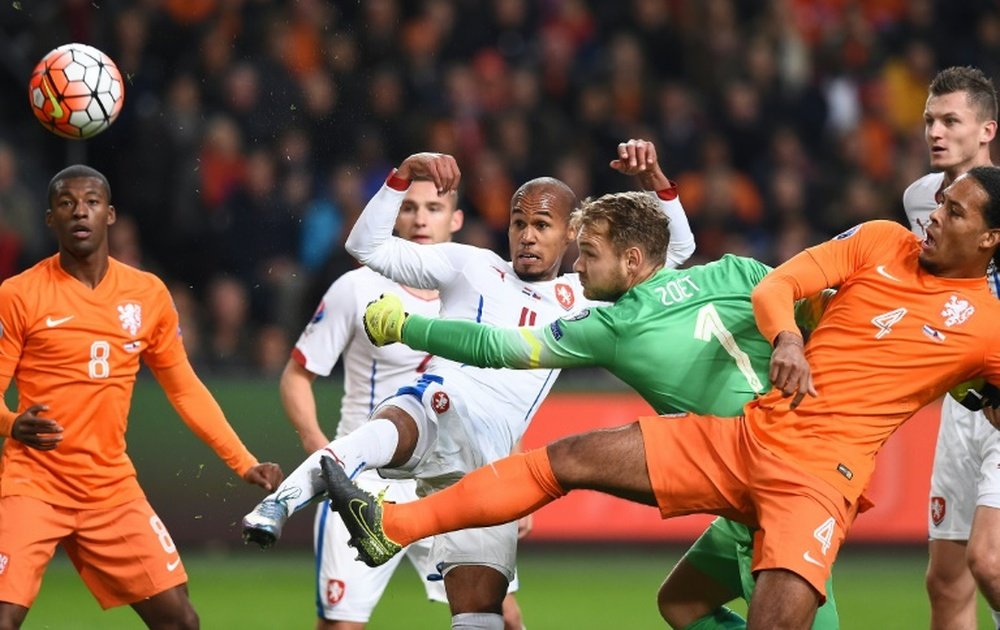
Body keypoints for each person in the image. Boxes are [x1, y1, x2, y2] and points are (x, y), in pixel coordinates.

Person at [322, 166, 1000, 628]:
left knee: (729, 612)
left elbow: (505, 345)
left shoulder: (988, 331)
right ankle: (395, 527)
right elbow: (778, 288)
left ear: (992, 238)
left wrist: (407, 325)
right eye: (938, 203)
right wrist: (789, 340)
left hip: (813, 481)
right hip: (745, 436)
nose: (934, 215)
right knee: (570, 459)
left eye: (956, 210)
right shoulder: (872, 242)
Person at [243, 139, 696, 629]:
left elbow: (678, 253)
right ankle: (277, 505)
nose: (526, 235)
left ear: (570, 234)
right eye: (519, 223)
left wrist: (655, 182)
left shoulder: (584, 298)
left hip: (491, 468)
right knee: (389, 425)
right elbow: (365, 246)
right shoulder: (471, 265)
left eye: (541, 225)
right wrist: (402, 174)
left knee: (482, 615)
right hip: (437, 410)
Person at [360, 189, 839, 630]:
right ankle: (401, 525)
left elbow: (493, 345)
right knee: (681, 603)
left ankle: (400, 525)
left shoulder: (614, 325)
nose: (578, 266)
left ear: (632, 261)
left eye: (589, 253)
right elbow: (824, 312)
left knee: (562, 463)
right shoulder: (738, 270)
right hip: (808, 457)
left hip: (767, 490)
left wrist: (406, 326)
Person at [0, 165, 283, 629]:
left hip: (109, 488)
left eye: (91, 202)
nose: (80, 212)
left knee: (180, 620)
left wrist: (242, 460)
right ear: (49, 218)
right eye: (66, 203)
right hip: (35, 484)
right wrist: (13, 424)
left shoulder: (146, 294)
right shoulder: (18, 294)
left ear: (110, 215)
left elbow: (184, 388)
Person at [272, 176, 525, 629]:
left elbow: (503, 397)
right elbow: (296, 376)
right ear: (393, 217)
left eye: (433, 207)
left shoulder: (482, 294)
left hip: (454, 477)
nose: (420, 218)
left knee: (501, 616)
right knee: (340, 624)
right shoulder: (356, 289)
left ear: (456, 219)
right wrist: (322, 453)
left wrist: (515, 483)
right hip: (365, 481)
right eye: (408, 208)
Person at [903, 66, 1000, 630]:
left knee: (989, 562)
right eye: (929, 122)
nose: (936, 133)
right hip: (961, 404)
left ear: (987, 129)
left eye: (951, 121)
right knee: (945, 580)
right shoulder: (920, 198)